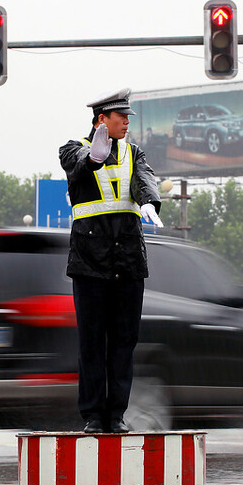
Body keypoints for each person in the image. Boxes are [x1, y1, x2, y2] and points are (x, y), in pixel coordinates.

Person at [59, 89, 163, 434]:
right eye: (122, 117)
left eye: (129, 118)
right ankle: (92, 415)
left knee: (123, 342)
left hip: (129, 260)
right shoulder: (71, 148)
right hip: (90, 261)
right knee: (91, 342)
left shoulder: (134, 152)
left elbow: (144, 179)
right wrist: (93, 157)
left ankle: (116, 415)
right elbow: (76, 166)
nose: (127, 123)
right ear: (102, 119)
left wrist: (150, 202)